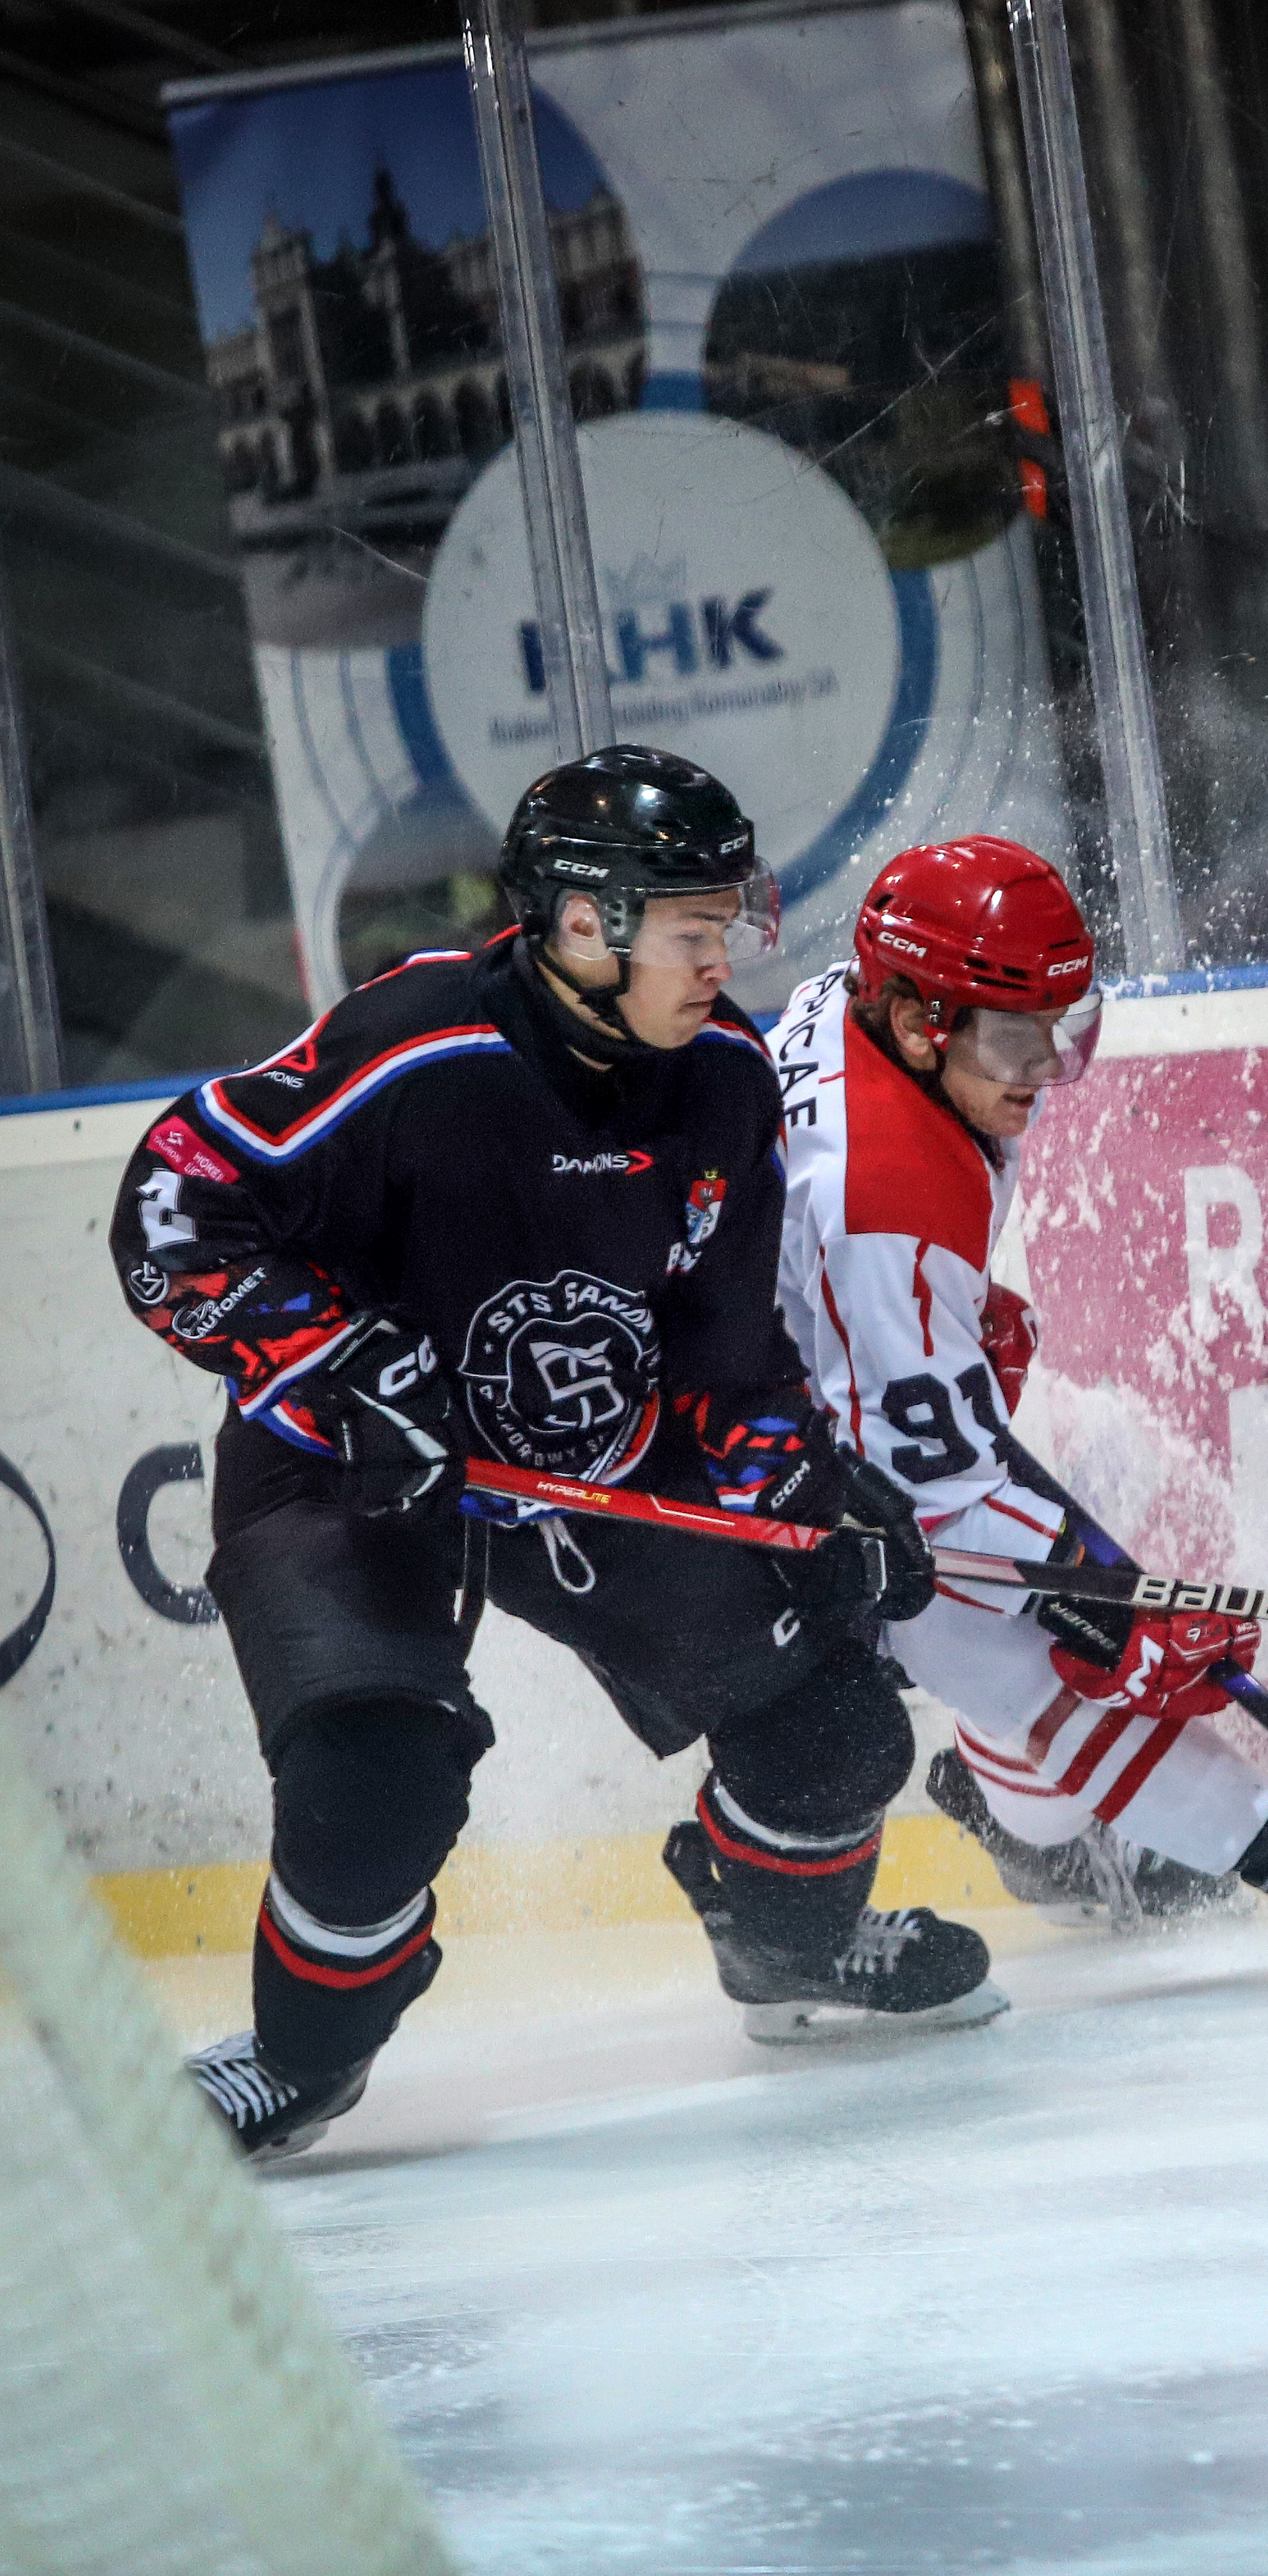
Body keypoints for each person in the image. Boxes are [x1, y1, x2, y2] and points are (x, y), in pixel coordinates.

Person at [108, 748, 1003, 2162]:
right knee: (374, 1780)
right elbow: (175, 1205)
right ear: (586, 923)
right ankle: (302, 2059)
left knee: (834, 1724)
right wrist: (338, 1367)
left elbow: (724, 1354)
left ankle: (784, 1950)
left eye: (728, 924)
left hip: (587, 1460)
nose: (722, 958)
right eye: (693, 929)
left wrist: (806, 1486)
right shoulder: (417, 1042)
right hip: (356, 1463)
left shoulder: (722, 1082)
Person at [769, 834, 1268, 1971]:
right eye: (1016, 1038)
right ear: (916, 1021)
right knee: (998, 1632)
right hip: (766, 1472)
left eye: (1068, 1028)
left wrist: (938, 1332)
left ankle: (1029, 1821)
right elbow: (926, 1491)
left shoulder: (861, 1013)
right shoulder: (882, 1195)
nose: (1047, 1068)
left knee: (1082, 1512)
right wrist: (1110, 1606)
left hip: (822, 1405)